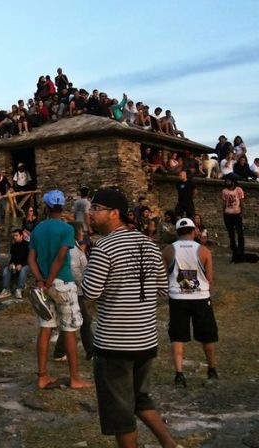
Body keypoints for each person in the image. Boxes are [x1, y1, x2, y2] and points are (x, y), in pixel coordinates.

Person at [82, 189, 178, 448]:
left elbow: (90, 292)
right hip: (145, 339)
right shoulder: (149, 244)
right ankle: (169, 444)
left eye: (96, 208)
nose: (91, 213)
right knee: (140, 398)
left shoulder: (104, 247)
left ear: (114, 213)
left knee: (121, 414)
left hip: (115, 343)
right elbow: (163, 289)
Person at [27, 190, 92, 390]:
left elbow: (31, 260)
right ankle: (74, 378)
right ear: (62, 207)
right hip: (63, 282)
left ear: (46, 207)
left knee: (45, 328)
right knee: (69, 330)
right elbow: (61, 257)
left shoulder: (37, 229)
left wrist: (41, 281)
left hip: (44, 285)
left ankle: (42, 376)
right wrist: (50, 281)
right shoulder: (66, 229)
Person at [162, 218, 219, 388]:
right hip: (200, 297)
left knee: (177, 336)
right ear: (194, 231)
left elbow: (163, 274)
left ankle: (179, 374)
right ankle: (212, 369)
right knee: (207, 335)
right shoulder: (204, 251)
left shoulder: (168, 250)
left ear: (177, 232)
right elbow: (209, 278)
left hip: (178, 298)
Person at [53, 222, 95, 362]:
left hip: (76, 290)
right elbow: (76, 272)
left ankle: (60, 351)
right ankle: (90, 352)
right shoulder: (73, 251)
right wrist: (85, 285)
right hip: (75, 291)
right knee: (83, 321)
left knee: (74, 321)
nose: (83, 233)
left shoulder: (74, 248)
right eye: (81, 231)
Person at [0, 229, 30, 299]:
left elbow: (29, 259)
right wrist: (11, 264)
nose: (14, 237)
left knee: (23, 269)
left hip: (27, 265)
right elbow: (12, 258)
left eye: (16, 235)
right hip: (16, 265)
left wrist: (22, 265)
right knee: (6, 269)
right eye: (14, 236)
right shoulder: (13, 246)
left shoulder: (27, 245)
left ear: (21, 236)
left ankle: (19, 289)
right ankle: (6, 290)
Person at [222, 178, 245, 262]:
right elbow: (224, 202)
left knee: (240, 232)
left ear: (233, 182)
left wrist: (242, 212)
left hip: (237, 214)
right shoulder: (224, 191)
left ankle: (241, 248)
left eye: (228, 181)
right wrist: (224, 212)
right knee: (230, 231)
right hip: (228, 214)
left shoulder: (239, 190)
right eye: (226, 181)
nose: (227, 182)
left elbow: (242, 202)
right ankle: (233, 246)